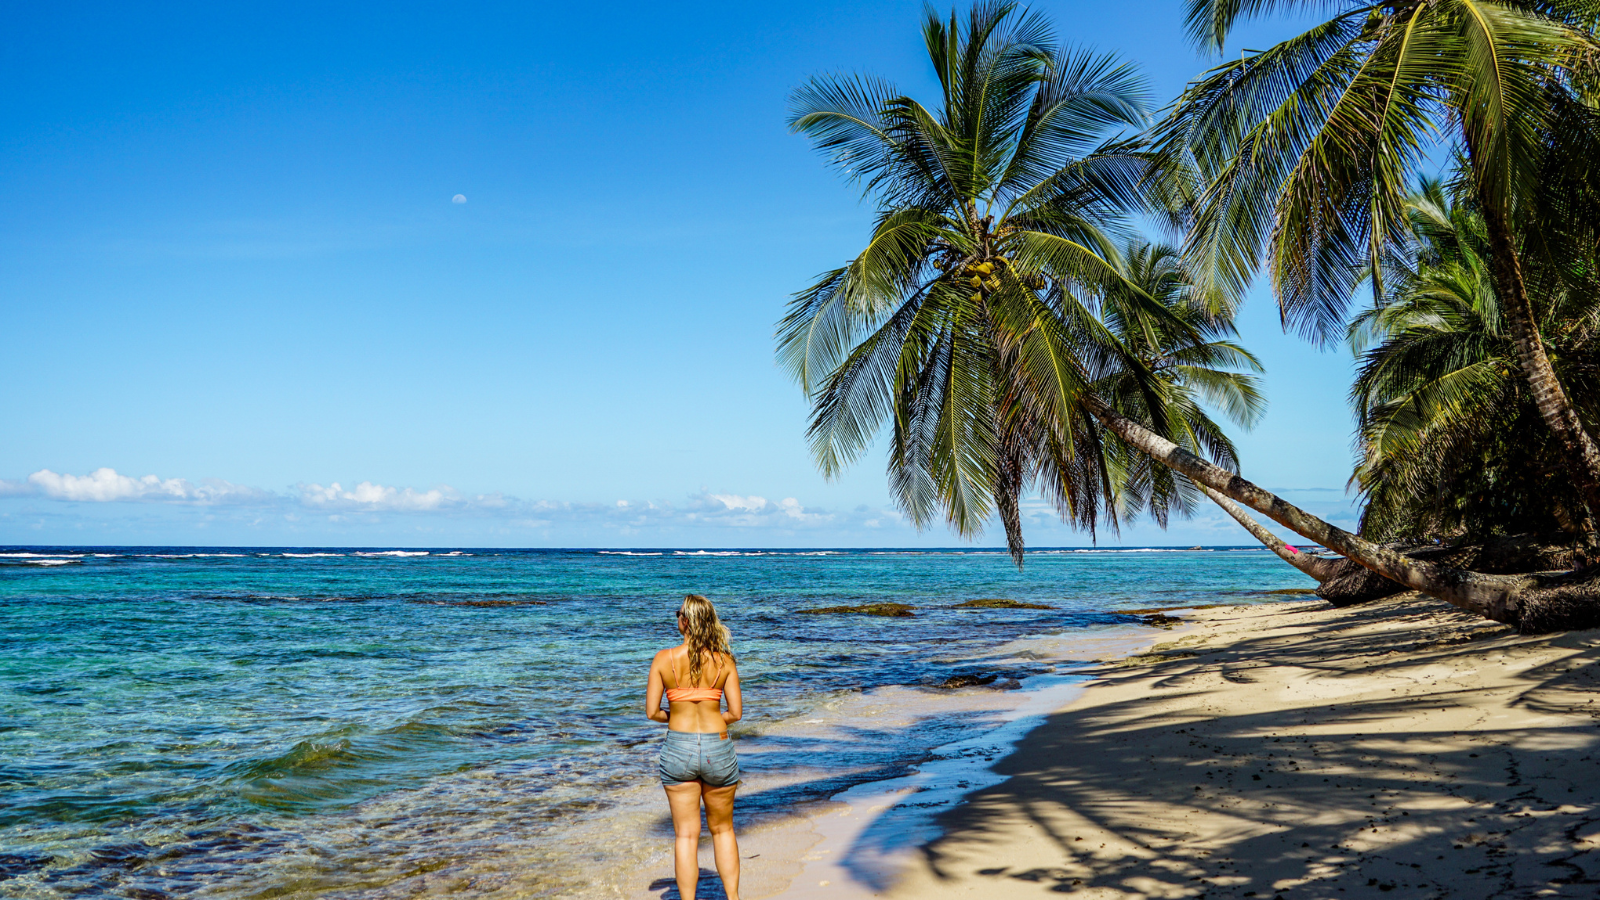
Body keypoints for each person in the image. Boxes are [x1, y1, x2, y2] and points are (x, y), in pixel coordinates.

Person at [646, 594, 743, 900]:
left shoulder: (663, 659)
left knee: (686, 836)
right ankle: (733, 898)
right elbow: (735, 713)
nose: (676, 618)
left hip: (678, 747)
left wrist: (678, 717)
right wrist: (711, 721)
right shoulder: (725, 661)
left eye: (678, 613)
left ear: (685, 621)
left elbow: (652, 712)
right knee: (723, 830)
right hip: (718, 747)